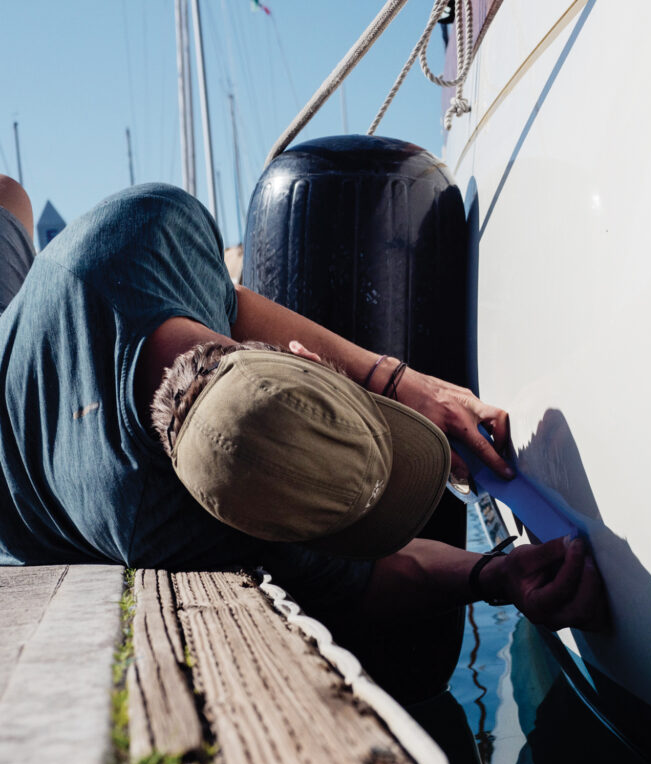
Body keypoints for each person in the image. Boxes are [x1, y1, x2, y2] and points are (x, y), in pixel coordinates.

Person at [0, 179, 607, 638]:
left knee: (7, 195)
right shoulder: (167, 530)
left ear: (301, 357)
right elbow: (372, 578)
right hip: (14, 499)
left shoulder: (151, 224)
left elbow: (226, 302)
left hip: (38, 316)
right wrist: (493, 576)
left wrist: (400, 382)